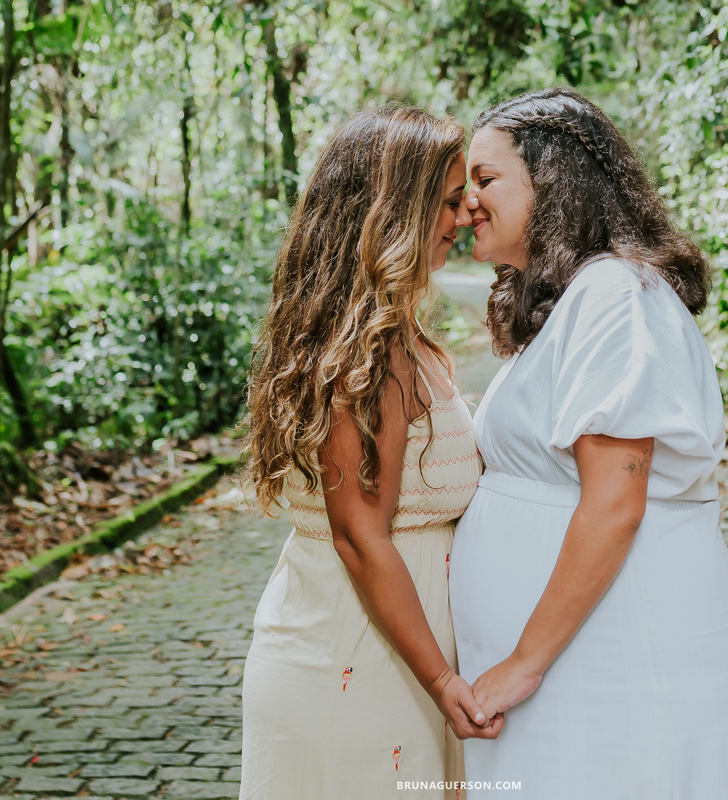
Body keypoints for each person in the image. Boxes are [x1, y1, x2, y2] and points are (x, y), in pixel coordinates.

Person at [448, 87, 728, 799]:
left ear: (555, 181)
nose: (465, 200)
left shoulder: (614, 296)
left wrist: (525, 662)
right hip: (577, 661)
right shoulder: (571, 301)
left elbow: (615, 503)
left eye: (484, 179)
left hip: (612, 656)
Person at [239, 106, 499, 800]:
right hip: (356, 660)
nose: (464, 216)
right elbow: (359, 536)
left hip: (393, 659)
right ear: (396, 212)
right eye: (448, 201)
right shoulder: (370, 357)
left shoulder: (398, 338)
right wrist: (443, 680)